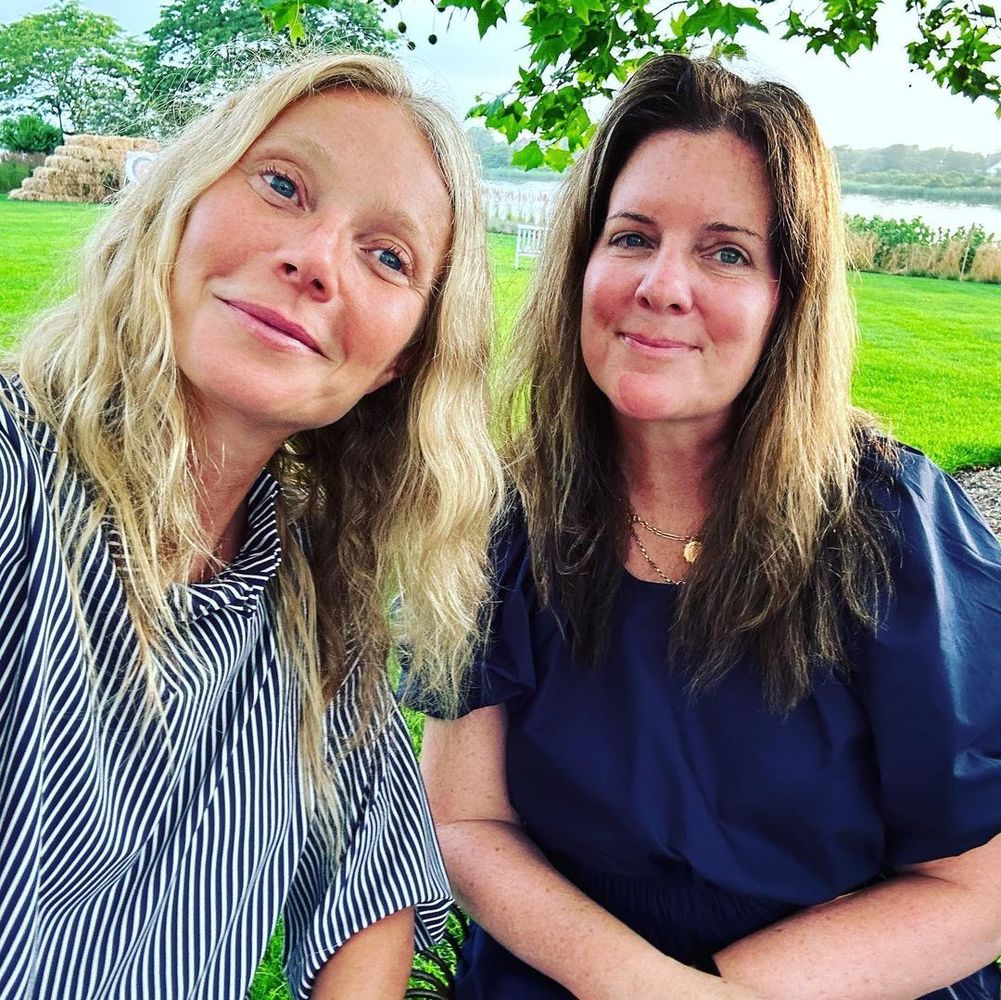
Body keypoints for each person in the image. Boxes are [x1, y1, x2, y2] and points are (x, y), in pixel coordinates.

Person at [411, 54, 1001, 998]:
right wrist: (638, 985)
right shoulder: (503, 519)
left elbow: (973, 887)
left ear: (786, 300)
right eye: (631, 237)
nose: (662, 285)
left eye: (726, 252)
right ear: (580, 266)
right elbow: (467, 820)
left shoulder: (894, 524)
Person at [0, 53, 502, 999]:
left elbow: (375, 891)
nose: (316, 261)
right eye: (281, 186)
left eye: (387, 256)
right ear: (181, 200)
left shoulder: (317, 605)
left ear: (398, 362)